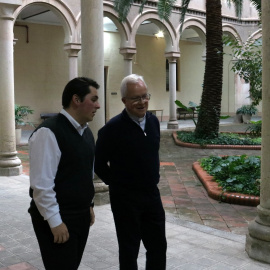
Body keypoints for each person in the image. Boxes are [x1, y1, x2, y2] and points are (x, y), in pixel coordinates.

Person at [95, 74, 167, 269]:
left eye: (145, 96)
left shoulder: (153, 122)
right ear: (124, 100)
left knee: (158, 246)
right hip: (125, 200)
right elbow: (99, 164)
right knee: (129, 249)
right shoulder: (111, 129)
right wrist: (119, 184)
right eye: (136, 98)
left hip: (151, 195)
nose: (142, 102)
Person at [28, 77, 100, 270]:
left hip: (80, 216)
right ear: (76, 100)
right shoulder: (49, 133)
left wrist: (89, 205)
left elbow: (85, 173)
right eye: (93, 99)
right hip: (59, 218)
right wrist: (54, 221)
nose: (98, 105)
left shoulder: (86, 132)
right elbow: (41, 185)